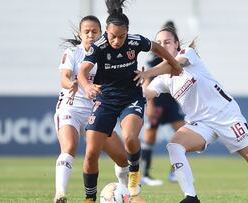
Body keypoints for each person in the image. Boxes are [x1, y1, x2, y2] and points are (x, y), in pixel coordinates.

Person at [134, 27, 248, 203]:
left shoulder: (187, 53)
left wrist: (148, 72)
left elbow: (175, 65)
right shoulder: (162, 79)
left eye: (167, 42)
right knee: (174, 146)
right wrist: (140, 80)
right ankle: (191, 197)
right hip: (200, 123)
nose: (163, 45)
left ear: (176, 44)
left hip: (226, 116)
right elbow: (146, 95)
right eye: (158, 43)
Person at [77, 0, 181, 202]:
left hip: (131, 98)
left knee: (130, 138)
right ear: (106, 31)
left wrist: (174, 63)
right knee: (91, 152)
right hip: (105, 99)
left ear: (128, 32)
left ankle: (134, 180)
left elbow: (157, 47)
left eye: (121, 36)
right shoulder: (98, 47)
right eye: (112, 36)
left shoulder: (135, 41)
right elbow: (82, 72)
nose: (116, 41)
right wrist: (88, 86)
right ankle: (89, 198)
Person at [53, 15, 129, 203]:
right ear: (80, 34)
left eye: (94, 31)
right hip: (71, 107)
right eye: (86, 31)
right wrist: (69, 84)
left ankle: (126, 193)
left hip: (96, 111)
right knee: (69, 147)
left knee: (122, 158)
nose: (90, 35)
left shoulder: (107, 53)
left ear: (101, 33)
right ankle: (60, 193)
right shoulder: (73, 53)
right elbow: (64, 76)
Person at [141, 21, 186, 186]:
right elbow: (147, 80)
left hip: (172, 103)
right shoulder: (154, 60)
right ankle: (144, 174)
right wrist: (150, 105)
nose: (165, 44)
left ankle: (175, 172)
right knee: (150, 137)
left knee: (183, 133)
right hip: (157, 102)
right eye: (161, 41)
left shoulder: (182, 57)